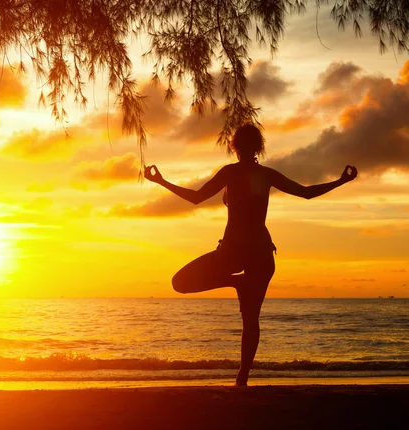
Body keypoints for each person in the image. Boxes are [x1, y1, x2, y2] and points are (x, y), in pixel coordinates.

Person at [144, 124, 358, 386]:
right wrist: (341, 181)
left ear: (234, 146)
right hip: (261, 253)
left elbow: (196, 198)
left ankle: (235, 285)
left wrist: (161, 181)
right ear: (259, 147)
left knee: (180, 282)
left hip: (234, 251)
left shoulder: (231, 173)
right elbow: (306, 193)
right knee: (250, 319)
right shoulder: (265, 174)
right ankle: (242, 378)